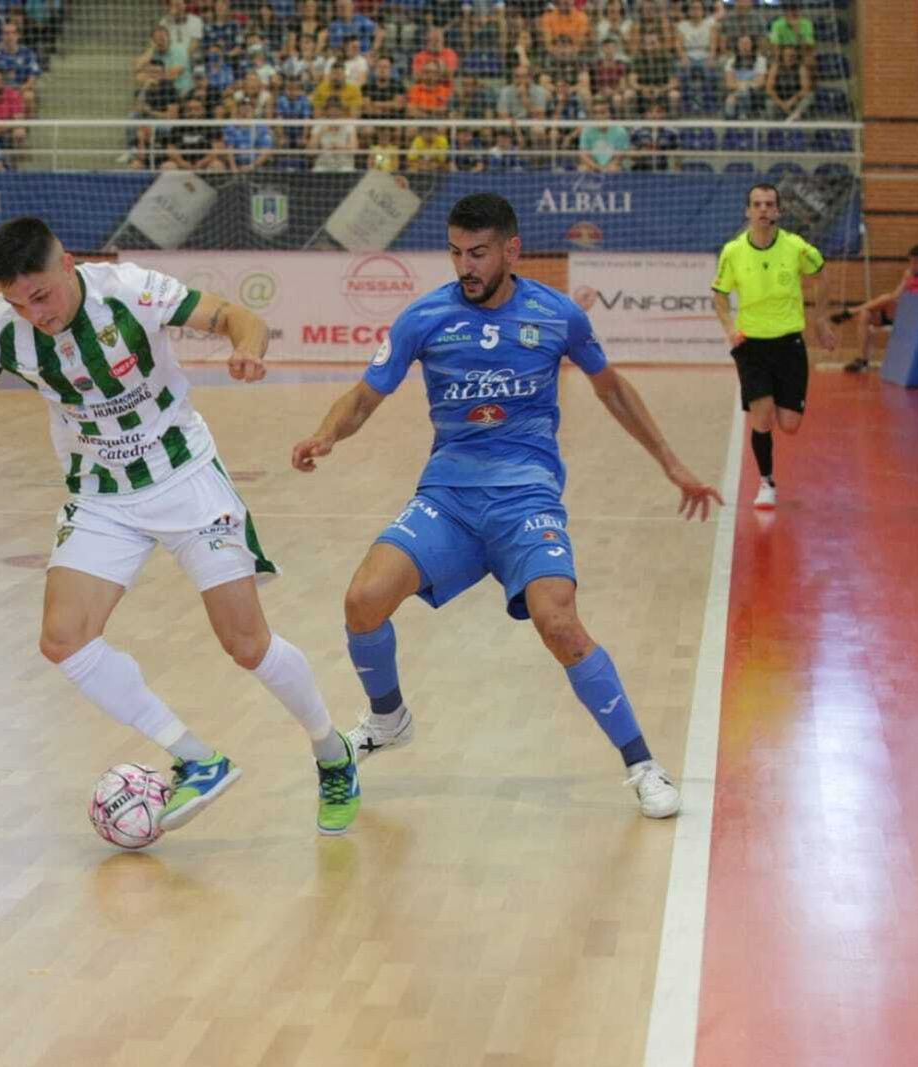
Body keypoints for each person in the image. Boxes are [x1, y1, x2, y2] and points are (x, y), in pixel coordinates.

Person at [290, 193, 720, 820]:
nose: (465, 266)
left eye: (479, 253)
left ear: (511, 250)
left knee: (560, 623)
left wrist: (671, 463)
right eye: (457, 253)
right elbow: (363, 397)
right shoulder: (424, 318)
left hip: (525, 498)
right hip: (448, 498)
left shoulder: (557, 315)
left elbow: (613, 391)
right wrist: (326, 434)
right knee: (362, 601)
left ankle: (642, 765)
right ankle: (389, 720)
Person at [0, 217, 360, 835]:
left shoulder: (129, 289)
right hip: (101, 494)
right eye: (19, 302)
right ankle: (196, 758)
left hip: (183, 476)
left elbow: (242, 317)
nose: (36, 314)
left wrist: (247, 349)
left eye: (42, 295)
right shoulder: (0, 328)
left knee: (246, 645)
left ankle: (331, 750)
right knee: (63, 640)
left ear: (68, 264)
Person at [711, 183, 837, 508]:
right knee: (762, 418)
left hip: (789, 345)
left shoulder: (796, 247)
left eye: (769, 204)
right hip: (751, 346)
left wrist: (821, 320)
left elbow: (822, 275)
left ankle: (769, 474)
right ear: (748, 211)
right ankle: (766, 482)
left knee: (790, 425)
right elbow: (720, 296)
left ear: (778, 211)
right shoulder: (733, 251)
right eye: (757, 204)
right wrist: (730, 329)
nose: (764, 209)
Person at [838, 244, 918, 373]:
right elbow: (897, 295)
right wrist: (906, 281)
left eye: (916, 262)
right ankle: (863, 361)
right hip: (894, 313)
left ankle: (852, 311)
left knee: (887, 298)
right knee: (865, 314)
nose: (912, 266)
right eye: (910, 262)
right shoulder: (908, 276)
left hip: (910, 317)